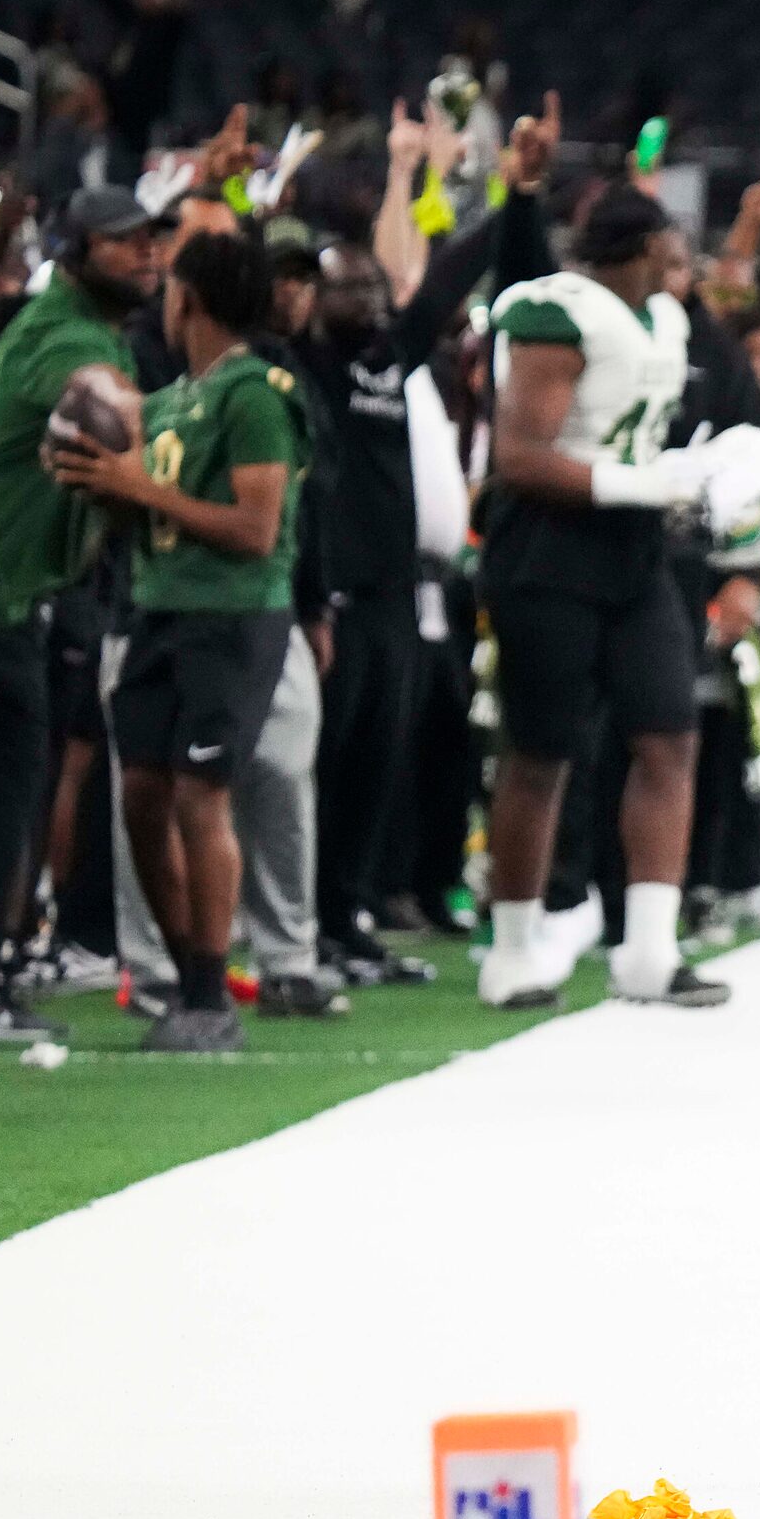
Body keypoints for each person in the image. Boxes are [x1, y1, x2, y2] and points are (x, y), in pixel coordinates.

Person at [296, 90, 553, 986]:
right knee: (326, 766)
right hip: (336, 597)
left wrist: (514, 199)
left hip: (401, 595)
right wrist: (404, 171)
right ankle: (316, 925)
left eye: (371, 288)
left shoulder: (386, 358)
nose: (368, 299)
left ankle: (352, 918)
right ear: (308, 300)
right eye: (347, 287)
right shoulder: (309, 368)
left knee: (377, 762)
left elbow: (441, 284)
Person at [56, 229, 314, 1052]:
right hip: (155, 611)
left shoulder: (257, 395)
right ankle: (185, 979)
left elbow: (255, 528)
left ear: (187, 300)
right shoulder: (177, 399)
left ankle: (208, 994)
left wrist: (142, 488)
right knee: (141, 797)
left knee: (203, 797)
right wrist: (95, 475)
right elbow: (142, 494)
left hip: (233, 616)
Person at [473, 183, 725, 1010]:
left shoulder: (666, 321)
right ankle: (511, 949)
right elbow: (518, 457)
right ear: (644, 246)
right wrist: (644, 482)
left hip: (634, 549)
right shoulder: (558, 312)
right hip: (548, 548)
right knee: (542, 752)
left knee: (669, 735)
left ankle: (649, 951)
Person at [0, 185, 160, 1042]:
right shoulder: (69, 337)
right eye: (123, 243)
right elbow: (95, 390)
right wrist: (139, 432)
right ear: (76, 253)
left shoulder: (58, 317)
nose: (145, 255)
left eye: (152, 241)